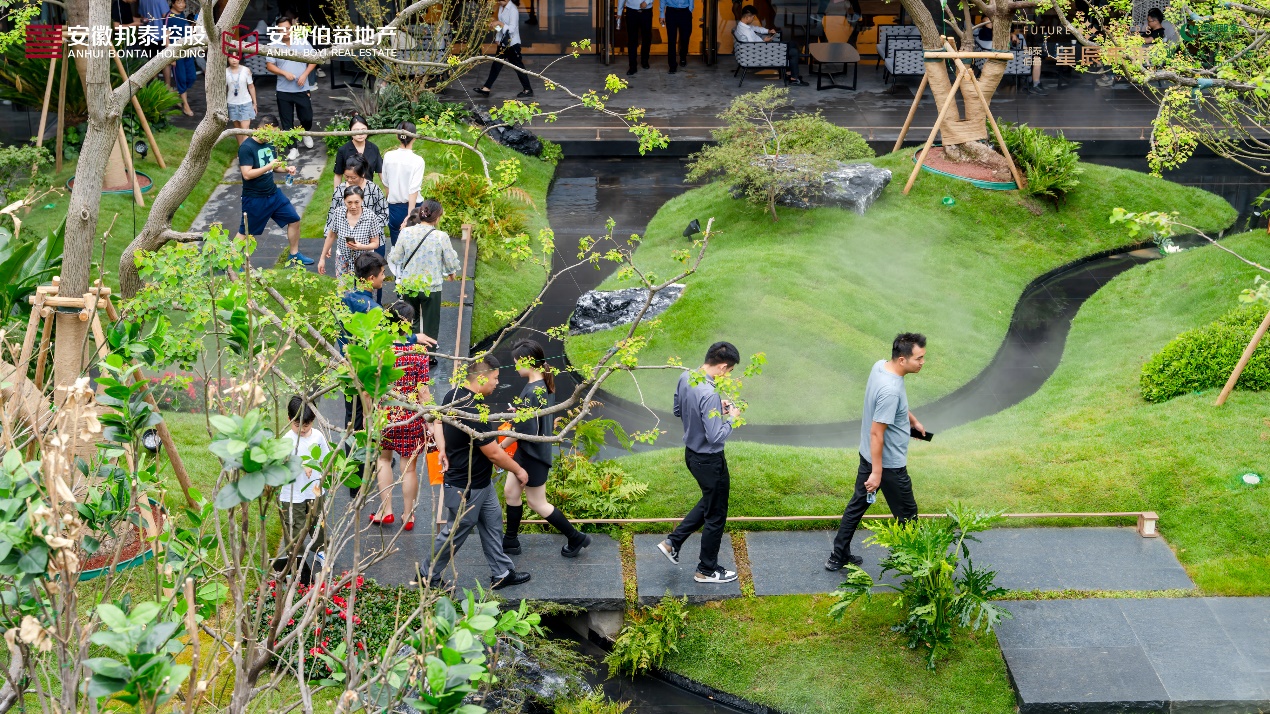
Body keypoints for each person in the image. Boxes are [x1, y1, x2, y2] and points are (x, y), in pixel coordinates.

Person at [423, 355, 532, 591]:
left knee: (492, 523)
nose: (496, 383)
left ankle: (501, 573)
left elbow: (439, 422)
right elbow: (493, 453)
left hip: (481, 482)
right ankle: (428, 573)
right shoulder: (472, 410)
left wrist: (443, 448)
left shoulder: (453, 395)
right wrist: (519, 470)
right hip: (466, 486)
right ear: (481, 377)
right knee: (456, 532)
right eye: (495, 378)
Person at [826, 333, 927, 571]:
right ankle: (920, 564)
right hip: (888, 464)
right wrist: (877, 473)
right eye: (919, 358)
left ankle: (837, 556)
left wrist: (912, 420)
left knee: (857, 505)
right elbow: (876, 433)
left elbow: (895, 406)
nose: (923, 362)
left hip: (869, 456)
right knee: (908, 515)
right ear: (902, 360)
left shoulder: (881, 367)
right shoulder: (890, 390)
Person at [655, 342, 742, 584]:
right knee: (716, 514)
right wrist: (732, 419)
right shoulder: (710, 393)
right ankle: (706, 570)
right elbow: (715, 436)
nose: (729, 374)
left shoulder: (687, 377)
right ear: (723, 367)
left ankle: (672, 543)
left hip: (692, 456)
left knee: (710, 501)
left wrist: (715, 411)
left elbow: (678, 409)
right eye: (730, 370)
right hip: (709, 460)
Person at [501, 338, 591, 558]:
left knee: (536, 502)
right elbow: (529, 419)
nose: (515, 367)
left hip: (534, 454)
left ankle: (576, 537)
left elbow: (524, 430)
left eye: (517, 362)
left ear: (527, 362)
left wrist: (500, 447)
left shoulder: (534, 391)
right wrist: (519, 413)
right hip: (529, 451)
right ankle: (510, 541)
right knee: (511, 492)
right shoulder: (542, 383)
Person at [371, 301, 432, 531]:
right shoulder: (418, 351)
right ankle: (408, 515)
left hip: (385, 414)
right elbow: (423, 392)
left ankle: (386, 511)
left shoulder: (379, 350)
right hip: (411, 416)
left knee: (384, 460)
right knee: (409, 469)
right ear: (409, 324)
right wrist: (431, 421)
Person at [235, 117, 311, 266]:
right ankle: (233, 262)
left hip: (274, 194)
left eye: (274, 134)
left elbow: (275, 167)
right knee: (246, 232)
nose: (272, 137)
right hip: (255, 198)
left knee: (294, 219)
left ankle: (294, 255)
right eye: (270, 133)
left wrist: (286, 168)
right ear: (260, 129)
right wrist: (269, 166)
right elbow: (247, 174)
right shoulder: (246, 147)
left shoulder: (270, 143)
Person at [388, 200, 459, 339]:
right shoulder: (441, 236)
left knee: (409, 321)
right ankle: (429, 356)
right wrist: (451, 273)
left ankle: (411, 351)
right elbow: (450, 260)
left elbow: (395, 258)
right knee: (431, 324)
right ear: (437, 217)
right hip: (431, 288)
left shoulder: (405, 233)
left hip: (409, 285)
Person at [279, 395, 331, 566]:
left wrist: (328, 473)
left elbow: (325, 459)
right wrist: (301, 464)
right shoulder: (286, 440)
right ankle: (296, 557)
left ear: (313, 420)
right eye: (297, 425)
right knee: (295, 527)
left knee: (318, 523)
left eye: (306, 425)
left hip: (315, 491)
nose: (302, 429)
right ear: (289, 419)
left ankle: (320, 550)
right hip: (292, 494)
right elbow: (282, 464)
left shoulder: (317, 436)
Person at [266, 12, 318, 161]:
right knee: (286, 121)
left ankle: (305, 132)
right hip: (283, 90)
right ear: (277, 30)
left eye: (287, 28)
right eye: (281, 29)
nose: (285, 32)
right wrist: (283, 73)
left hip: (302, 88)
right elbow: (269, 65)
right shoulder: (273, 46)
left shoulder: (302, 42)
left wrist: (304, 75)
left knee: (307, 117)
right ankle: (293, 148)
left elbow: (314, 59)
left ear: (292, 28)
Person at [326, 153, 390, 254]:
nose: (349, 180)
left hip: (373, 243)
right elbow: (332, 216)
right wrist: (328, 244)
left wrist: (366, 226)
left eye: (353, 177)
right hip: (347, 246)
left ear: (363, 174)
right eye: (346, 176)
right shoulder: (339, 191)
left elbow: (385, 214)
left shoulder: (373, 189)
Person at [320, 185, 387, 279]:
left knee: (362, 290)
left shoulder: (370, 217)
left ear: (362, 200)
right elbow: (331, 236)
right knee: (343, 290)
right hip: (343, 259)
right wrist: (322, 258)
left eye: (357, 202)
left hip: (364, 261)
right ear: (344, 201)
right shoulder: (338, 213)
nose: (353, 206)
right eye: (349, 202)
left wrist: (361, 247)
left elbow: (375, 243)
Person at [734, 5, 808, 86]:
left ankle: (789, 72)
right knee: (793, 52)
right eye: (753, 17)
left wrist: (768, 31)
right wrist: (764, 40)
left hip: (762, 48)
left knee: (792, 44)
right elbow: (753, 46)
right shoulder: (746, 31)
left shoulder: (743, 26)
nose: (753, 19)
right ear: (747, 17)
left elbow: (756, 28)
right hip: (762, 53)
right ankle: (794, 78)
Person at [380, 121, 426, 245]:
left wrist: (390, 196)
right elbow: (413, 189)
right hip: (414, 207)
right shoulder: (418, 161)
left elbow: (385, 181)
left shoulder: (388, 156)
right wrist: (410, 216)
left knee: (397, 246)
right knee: (415, 246)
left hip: (394, 207)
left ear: (397, 136)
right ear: (414, 137)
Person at [476, 0, 534, 97]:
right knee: (496, 65)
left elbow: (512, 29)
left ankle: (528, 89)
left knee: (519, 67)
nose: (498, 2)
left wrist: (499, 23)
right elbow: (501, 28)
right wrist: (497, 33)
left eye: (500, 0)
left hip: (512, 44)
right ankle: (486, 88)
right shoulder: (501, 7)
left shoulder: (513, 10)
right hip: (503, 43)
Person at [974, 20, 1045, 95]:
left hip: (1015, 60)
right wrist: (1011, 35)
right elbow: (991, 36)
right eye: (988, 21)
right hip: (998, 60)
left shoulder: (1013, 36)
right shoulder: (983, 33)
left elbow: (1024, 49)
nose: (992, 22)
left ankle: (1035, 84)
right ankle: (1032, 82)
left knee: (1036, 58)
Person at [164, 0, 197, 115]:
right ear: (173, 3)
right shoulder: (169, 16)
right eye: (179, 3)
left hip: (187, 51)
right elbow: (166, 36)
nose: (182, 5)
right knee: (181, 79)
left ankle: (177, 94)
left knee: (192, 76)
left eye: (183, 3)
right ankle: (185, 105)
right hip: (176, 52)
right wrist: (171, 56)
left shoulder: (182, 15)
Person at [332, 115, 384, 190]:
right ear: (350, 130)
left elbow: (381, 172)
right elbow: (338, 175)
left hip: (369, 192)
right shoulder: (343, 150)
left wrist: (388, 191)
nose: (360, 134)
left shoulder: (373, 148)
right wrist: (336, 196)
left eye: (363, 130)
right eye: (356, 130)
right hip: (350, 193)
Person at [226, 54, 258, 142]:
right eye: (231, 57)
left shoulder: (246, 70)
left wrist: (254, 103)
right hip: (232, 103)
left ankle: (245, 152)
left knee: (245, 129)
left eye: (236, 57)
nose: (234, 60)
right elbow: (222, 89)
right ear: (228, 58)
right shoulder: (225, 72)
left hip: (245, 102)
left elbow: (251, 86)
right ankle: (241, 151)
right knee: (237, 129)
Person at [617, 0, 653, 76]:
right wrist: (619, 12)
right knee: (632, 39)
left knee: (646, 37)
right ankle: (632, 66)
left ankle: (645, 61)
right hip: (631, 11)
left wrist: (646, 2)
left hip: (646, 11)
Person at [661, 0, 693, 74]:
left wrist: (690, 10)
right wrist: (662, 14)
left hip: (685, 11)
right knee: (671, 39)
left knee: (685, 37)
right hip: (671, 12)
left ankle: (683, 56)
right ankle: (672, 65)